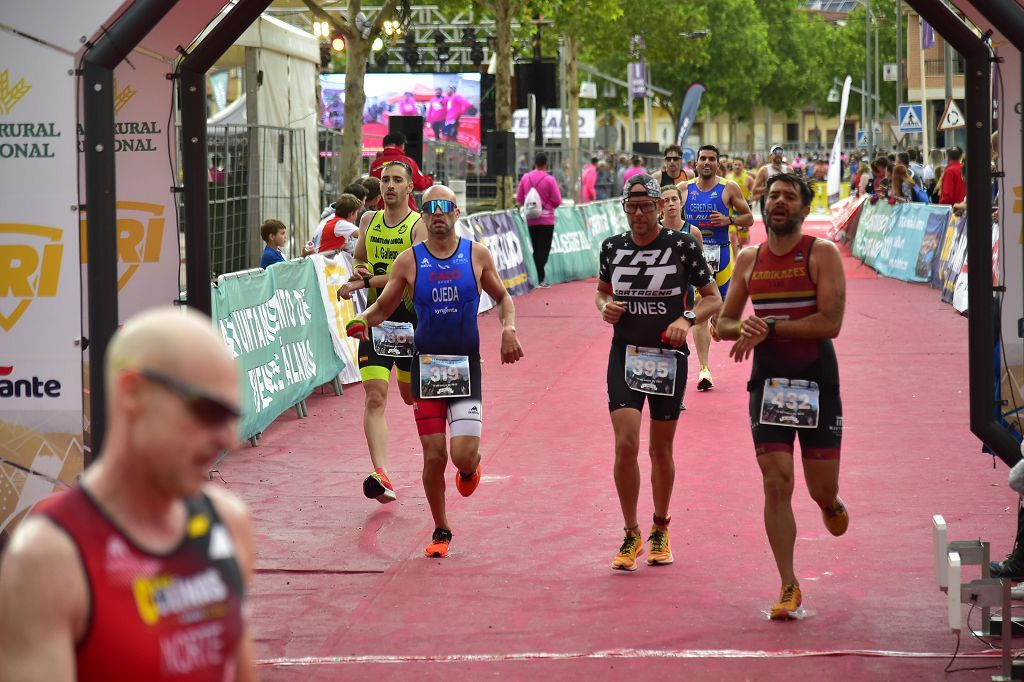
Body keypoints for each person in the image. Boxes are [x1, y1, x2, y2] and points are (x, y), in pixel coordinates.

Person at [0, 307, 256, 680]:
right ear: (132, 393)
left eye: (231, 416)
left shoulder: (229, 522)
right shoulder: (48, 560)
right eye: (206, 411)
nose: (228, 439)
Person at [344, 184, 525, 557]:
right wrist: (363, 320)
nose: (438, 214)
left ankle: (470, 469)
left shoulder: (476, 255)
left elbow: (504, 298)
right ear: (424, 215)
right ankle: (441, 529)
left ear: (457, 213)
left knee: (461, 456)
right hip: (426, 367)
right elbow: (382, 306)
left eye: (445, 208)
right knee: (433, 457)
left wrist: (508, 329)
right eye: (432, 209)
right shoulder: (410, 261)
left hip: (465, 368)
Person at [717, 172, 848, 620]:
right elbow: (723, 325)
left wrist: (769, 327)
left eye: (789, 197)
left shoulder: (820, 253)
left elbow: (830, 322)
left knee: (819, 488)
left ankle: (829, 501)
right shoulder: (749, 259)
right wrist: (747, 327)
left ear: (804, 209)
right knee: (776, 482)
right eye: (773, 196)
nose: (779, 202)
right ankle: (788, 583)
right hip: (769, 381)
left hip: (816, 378)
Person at [596, 174, 720, 571]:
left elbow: (712, 299)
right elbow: (602, 291)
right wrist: (604, 307)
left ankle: (661, 526)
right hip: (625, 354)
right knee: (626, 445)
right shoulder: (612, 248)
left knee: (660, 449)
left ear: (659, 208)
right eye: (631, 207)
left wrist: (686, 318)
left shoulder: (682, 245)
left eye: (646, 207)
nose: (639, 214)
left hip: (668, 358)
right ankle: (631, 531)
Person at [338, 160, 427, 504]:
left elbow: (405, 276)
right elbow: (359, 258)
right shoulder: (368, 220)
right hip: (376, 321)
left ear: (409, 188)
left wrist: (363, 281)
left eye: (396, 181)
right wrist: (360, 271)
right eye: (385, 180)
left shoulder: (417, 226)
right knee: (375, 396)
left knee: (408, 396)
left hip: (408, 322)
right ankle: (382, 474)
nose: (389, 186)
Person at [678, 144, 754, 392]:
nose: (707, 162)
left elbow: (749, 217)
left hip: (721, 257)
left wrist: (729, 220)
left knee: (720, 321)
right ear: (696, 163)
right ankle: (704, 369)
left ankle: (716, 326)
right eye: (703, 158)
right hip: (694, 257)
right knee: (699, 312)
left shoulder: (728, 188)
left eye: (711, 158)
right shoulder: (683, 190)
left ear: (718, 163)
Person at [516, 152, 563, 288]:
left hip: (531, 218)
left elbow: (519, 198)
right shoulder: (550, 180)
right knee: (544, 248)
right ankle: (540, 277)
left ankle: (538, 277)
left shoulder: (525, 178)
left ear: (534, 163)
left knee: (536, 247)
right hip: (547, 220)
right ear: (546, 164)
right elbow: (557, 200)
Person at [370, 132, 434, 210]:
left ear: (384, 146)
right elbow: (420, 184)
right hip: (405, 211)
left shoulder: (375, 164)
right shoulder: (407, 161)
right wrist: (430, 178)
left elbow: (372, 187)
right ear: (401, 145)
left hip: (381, 210)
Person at [751, 145, 792, 221]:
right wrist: (770, 188)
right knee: (770, 229)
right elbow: (754, 190)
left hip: (784, 203)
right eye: (775, 152)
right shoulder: (764, 170)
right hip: (768, 204)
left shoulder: (788, 170)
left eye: (780, 152)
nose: (778, 154)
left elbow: (794, 188)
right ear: (770, 155)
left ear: (783, 155)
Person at [728, 159, 755, 246]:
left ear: (743, 166)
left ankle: (740, 244)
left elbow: (755, 191)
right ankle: (735, 255)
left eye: (739, 165)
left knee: (744, 240)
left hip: (743, 211)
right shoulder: (727, 178)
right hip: (731, 210)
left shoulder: (748, 179)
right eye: (735, 164)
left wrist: (751, 200)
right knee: (732, 234)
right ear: (732, 165)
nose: (737, 166)